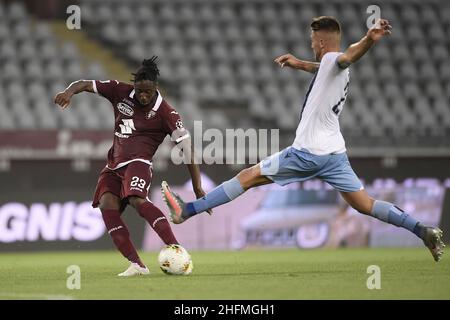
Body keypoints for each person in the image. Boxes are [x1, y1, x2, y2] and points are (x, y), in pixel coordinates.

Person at [161, 18, 445, 262]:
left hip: (307, 151)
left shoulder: (337, 59)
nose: (311, 45)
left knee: (247, 176)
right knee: (364, 204)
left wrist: (369, 40)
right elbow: (328, 66)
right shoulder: (333, 69)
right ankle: (422, 230)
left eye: (312, 40)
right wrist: (299, 64)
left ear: (321, 42)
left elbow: (347, 56)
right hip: (335, 154)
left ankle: (187, 210)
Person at [54, 57, 208, 276]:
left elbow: (188, 151)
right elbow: (86, 83)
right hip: (113, 164)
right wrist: (69, 91)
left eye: (147, 91)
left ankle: (176, 249)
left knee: (136, 199)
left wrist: (197, 186)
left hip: (139, 163)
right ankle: (137, 264)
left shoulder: (167, 113)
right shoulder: (120, 91)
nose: (142, 96)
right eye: (139, 91)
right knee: (107, 206)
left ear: (155, 87)